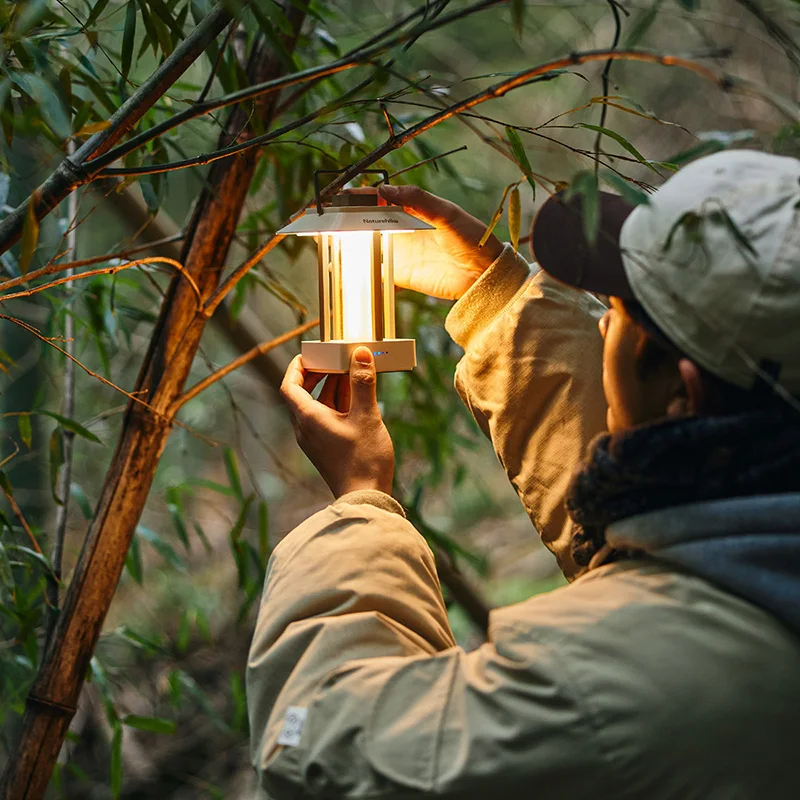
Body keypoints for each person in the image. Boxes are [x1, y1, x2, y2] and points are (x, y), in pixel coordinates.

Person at [246, 149, 800, 799]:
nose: (602, 329)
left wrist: (360, 505)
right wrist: (500, 298)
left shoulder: (598, 686)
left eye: (615, 315)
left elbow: (322, 758)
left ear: (682, 394)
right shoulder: (751, 559)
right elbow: (665, 536)